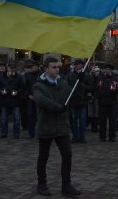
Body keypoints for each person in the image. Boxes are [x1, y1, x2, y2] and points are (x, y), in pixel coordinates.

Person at [32, 57, 83, 197]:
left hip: (61, 126)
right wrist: (58, 107)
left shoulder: (63, 83)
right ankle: (41, 184)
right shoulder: (39, 85)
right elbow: (41, 100)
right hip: (46, 126)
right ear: (46, 69)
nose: (57, 69)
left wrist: (81, 80)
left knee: (67, 154)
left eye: (58, 67)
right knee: (43, 156)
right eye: (53, 67)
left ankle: (66, 185)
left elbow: (75, 95)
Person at [67, 59, 93, 143]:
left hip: (83, 101)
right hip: (73, 101)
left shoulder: (87, 75)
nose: (76, 66)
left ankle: (82, 136)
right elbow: (67, 87)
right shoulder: (70, 75)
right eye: (75, 64)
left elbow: (91, 88)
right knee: (74, 120)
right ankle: (75, 136)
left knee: (82, 120)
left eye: (77, 64)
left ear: (82, 65)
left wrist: (82, 85)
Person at [0, 63, 24, 139]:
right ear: (7, 68)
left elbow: (22, 87)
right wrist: (1, 91)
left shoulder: (19, 77)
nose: (12, 69)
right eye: (10, 68)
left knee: (16, 118)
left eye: (13, 68)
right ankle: (4, 133)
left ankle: (16, 134)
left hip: (15, 100)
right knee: (4, 119)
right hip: (4, 100)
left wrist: (17, 92)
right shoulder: (1, 76)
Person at [95, 63, 118, 142]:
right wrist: (98, 96)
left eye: (109, 69)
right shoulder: (100, 78)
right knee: (102, 121)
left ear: (112, 70)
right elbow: (96, 88)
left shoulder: (115, 79)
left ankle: (112, 136)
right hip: (102, 103)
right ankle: (102, 136)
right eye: (106, 69)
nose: (108, 71)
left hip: (112, 103)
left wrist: (115, 90)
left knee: (112, 121)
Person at [24, 60, 40, 138]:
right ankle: (31, 132)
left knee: (39, 115)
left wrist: (37, 95)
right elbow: (25, 87)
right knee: (30, 115)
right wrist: (28, 95)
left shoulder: (41, 75)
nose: (31, 68)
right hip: (30, 98)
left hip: (39, 98)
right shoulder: (28, 75)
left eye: (33, 67)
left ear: (37, 67)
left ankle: (40, 132)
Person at [88, 66, 101, 133]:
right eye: (96, 71)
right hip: (92, 97)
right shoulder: (91, 79)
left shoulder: (100, 78)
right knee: (92, 113)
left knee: (97, 113)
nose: (97, 72)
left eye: (98, 71)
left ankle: (96, 126)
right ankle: (93, 126)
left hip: (98, 97)